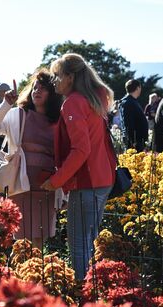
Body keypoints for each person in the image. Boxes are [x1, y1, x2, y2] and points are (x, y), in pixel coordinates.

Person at [40, 53, 117, 280]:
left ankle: (83, 297)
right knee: (89, 241)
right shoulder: (95, 99)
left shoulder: (73, 103)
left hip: (86, 181)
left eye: (57, 76)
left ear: (70, 77)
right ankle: (93, 290)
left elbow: (81, 150)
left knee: (79, 244)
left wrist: (56, 181)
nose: (54, 81)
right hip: (103, 179)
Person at [0, 69, 63, 249]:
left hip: (47, 185)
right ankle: (21, 274)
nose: (37, 91)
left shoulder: (58, 120)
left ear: (52, 93)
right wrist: (5, 105)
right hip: (20, 183)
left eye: (43, 88)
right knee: (21, 239)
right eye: (35, 87)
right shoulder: (18, 115)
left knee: (40, 238)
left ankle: (35, 273)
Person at [118, 79, 149, 152]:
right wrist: (133, 141)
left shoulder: (132, 101)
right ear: (138, 88)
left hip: (138, 141)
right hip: (134, 143)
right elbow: (128, 124)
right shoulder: (127, 103)